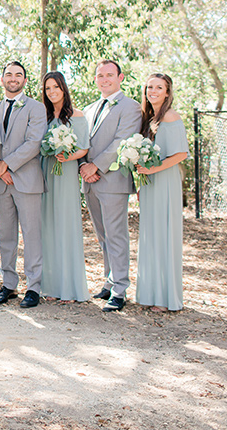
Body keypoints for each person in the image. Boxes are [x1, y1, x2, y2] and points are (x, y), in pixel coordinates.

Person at [80, 59, 142, 312]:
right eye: (100, 76)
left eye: (109, 75)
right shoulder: (89, 108)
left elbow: (122, 140)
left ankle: (120, 289)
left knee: (116, 235)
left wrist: (96, 166)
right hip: (90, 180)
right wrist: (84, 166)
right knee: (102, 235)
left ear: (120, 77)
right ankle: (109, 280)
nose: (104, 79)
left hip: (113, 179)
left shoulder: (131, 107)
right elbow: (82, 141)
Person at [0, 61, 47, 309]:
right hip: (1, 182)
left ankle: (33, 287)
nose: (13, 78)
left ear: (24, 80)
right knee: (6, 236)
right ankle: (8, 284)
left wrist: (7, 165)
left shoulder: (36, 108)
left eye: (18, 75)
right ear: (2, 79)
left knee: (31, 235)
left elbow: (34, 142)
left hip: (26, 180)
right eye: (9, 74)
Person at [135, 73, 188, 312]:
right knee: (150, 237)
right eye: (149, 87)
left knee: (165, 236)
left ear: (167, 92)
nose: (153, 91)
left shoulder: (171, 116)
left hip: (165, 181)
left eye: (159, 87)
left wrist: (153, 168)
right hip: (149, 183)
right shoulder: (148, 119)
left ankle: (167, 298)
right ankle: (150, 293)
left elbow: (180, 154)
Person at [40, 72, 90, 303]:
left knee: (66, 226)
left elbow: (84, 148)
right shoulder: (43, 115)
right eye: (48, 88)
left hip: (66, 173)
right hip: (46, 172)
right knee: (48, 226)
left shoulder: (76, 115)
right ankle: (51, 286)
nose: (52, 92)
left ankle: (70, 289)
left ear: (63, 88)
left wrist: (68, 156)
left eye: (55, 87)